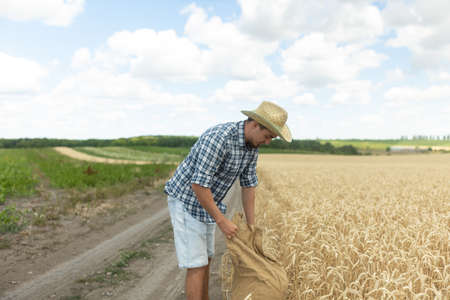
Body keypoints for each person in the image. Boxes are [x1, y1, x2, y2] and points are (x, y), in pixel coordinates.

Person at [164, 101, 292, 300]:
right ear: (255, 124)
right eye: (268, 136)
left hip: (206, 201)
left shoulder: (251, 147)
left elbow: (248, 185)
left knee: (206, 259)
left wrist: (250, 226)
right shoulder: (219, 138)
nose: (267, 142)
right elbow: (198, 185)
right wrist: (222, 221)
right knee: (196, 264)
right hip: (186, 200)